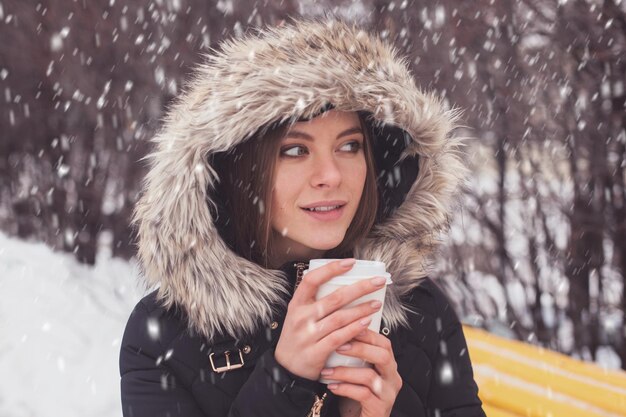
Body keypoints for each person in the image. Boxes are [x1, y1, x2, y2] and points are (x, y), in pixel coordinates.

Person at [120, 16, 486, 417]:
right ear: (240, 171)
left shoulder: (420, 309)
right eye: (295, 150)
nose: (331, 176)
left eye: (349, 146)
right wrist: (284, 381)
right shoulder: (163, 337)